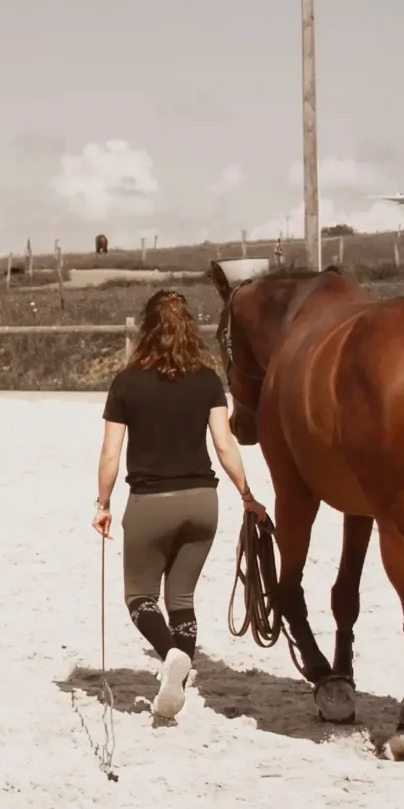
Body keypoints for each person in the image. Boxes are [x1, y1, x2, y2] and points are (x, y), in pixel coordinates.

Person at [93, 289, 265, 719]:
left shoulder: (127, 382)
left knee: (140, 598)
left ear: (146, 328)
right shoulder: (207, 380)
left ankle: (170, 654)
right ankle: (176, 688)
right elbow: (224, 446)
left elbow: (110, 453)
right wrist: (247, 495)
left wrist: (103, 502)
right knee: (182, 599)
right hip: (203, 504)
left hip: (152, 503)